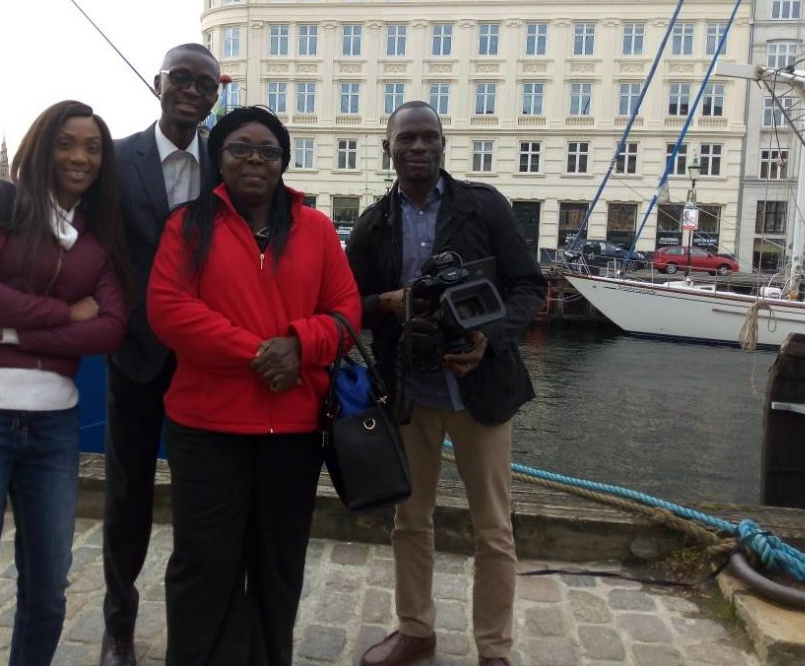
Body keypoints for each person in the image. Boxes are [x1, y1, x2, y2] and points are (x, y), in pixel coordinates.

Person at [148, 105, 361, 666]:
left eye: (268, 151)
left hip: (291, 431)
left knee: (278, 563)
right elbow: (170, 311)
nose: (255, 160)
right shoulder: (186, 226)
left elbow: (346, 314)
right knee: (204, 564)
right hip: (207, 428)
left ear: (284, 163)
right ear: (218, 158)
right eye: (240, 147)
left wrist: (301, 344)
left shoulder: (315, 230)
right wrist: (262, 354)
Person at [0, 100, 130, 666]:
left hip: (54, 425)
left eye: (93, 148)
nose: (80, 156)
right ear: (42, 146)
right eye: (67, 142)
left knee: (49, 587)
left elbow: (111, 329)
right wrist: (67, 315)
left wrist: (9, 333)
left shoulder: (98, 235)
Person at [347, 101, 546, 666]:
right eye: (406, 138)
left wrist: (493, 337)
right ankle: (416, 630)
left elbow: (528, 286)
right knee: (410, 520)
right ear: (387, 147)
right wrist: (388, 304)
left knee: (494, 528)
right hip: (409, 392)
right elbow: (345, 307)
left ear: (443, 144)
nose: (418, 147)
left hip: (481, 387)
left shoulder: (484, 207)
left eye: (428, 137)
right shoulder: (372, 224)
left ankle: (494, 651)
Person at [101, 43, 222, 666]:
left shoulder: (226, 163)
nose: (194, 92)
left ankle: (195, 628)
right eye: (183, 78)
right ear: (158, 82)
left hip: (207, 360)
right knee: (128, 496)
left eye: (207, 84)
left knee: (203, 497)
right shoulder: (117, 160)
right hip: (137, 357)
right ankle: (118, 626)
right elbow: (89, 244)